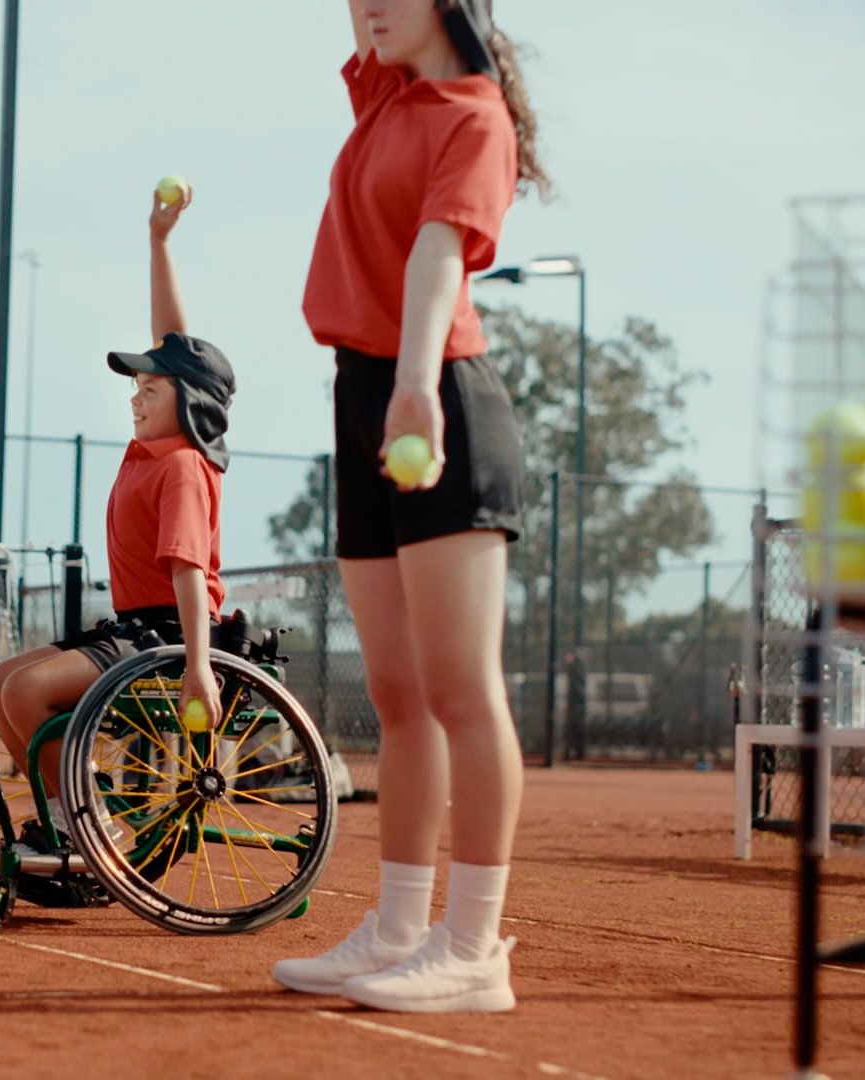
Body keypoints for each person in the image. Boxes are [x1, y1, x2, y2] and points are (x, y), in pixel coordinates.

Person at [271, 0, 548, 1014]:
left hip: (437, 401)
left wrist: (418, 384)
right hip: (360, 393)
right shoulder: (384, 90)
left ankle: (473, 950)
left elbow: (438, 255)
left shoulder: (473, 116)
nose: (367, 7)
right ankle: (396, 928)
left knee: (460, 690)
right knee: (396, 693)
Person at [0, 182, 234, 836]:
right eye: (137, 387)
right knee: (2, 681)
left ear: (191, 406)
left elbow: (187, 573)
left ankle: (85, 822)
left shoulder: (181, 464)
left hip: (168, 636)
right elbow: (174, 341)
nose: (135, 397)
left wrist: (200, 667)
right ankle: (65, 813)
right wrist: (158, 240)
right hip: (134, 627)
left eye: (152, 389)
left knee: (23, 691)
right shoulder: (157, 450)